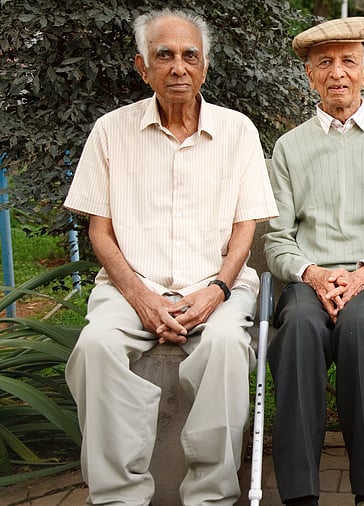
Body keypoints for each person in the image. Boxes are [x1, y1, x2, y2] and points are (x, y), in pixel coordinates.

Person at [63, 9, 278, 505]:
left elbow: (245, 228)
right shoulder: (110, 131)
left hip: (216, 285)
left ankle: (211, 495)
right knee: (95, 348)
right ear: (143, 68)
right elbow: (100, 230)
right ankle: (118, 496)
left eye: (189, 55)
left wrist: (217, 290)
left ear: (204, 68)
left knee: (226, 345)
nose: (178, 66)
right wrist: (140, 297)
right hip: (129, 287)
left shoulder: (238, 130)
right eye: (165, 55)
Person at [263, 16, 364, 506]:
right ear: (309, 75)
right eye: (324, 63)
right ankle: (301, 495)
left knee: (359, 328)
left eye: (348, 61)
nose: (337, 73)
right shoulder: (289, 147)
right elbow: (278, 239)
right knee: (300, 332)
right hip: (310, 278)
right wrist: (313, 273)